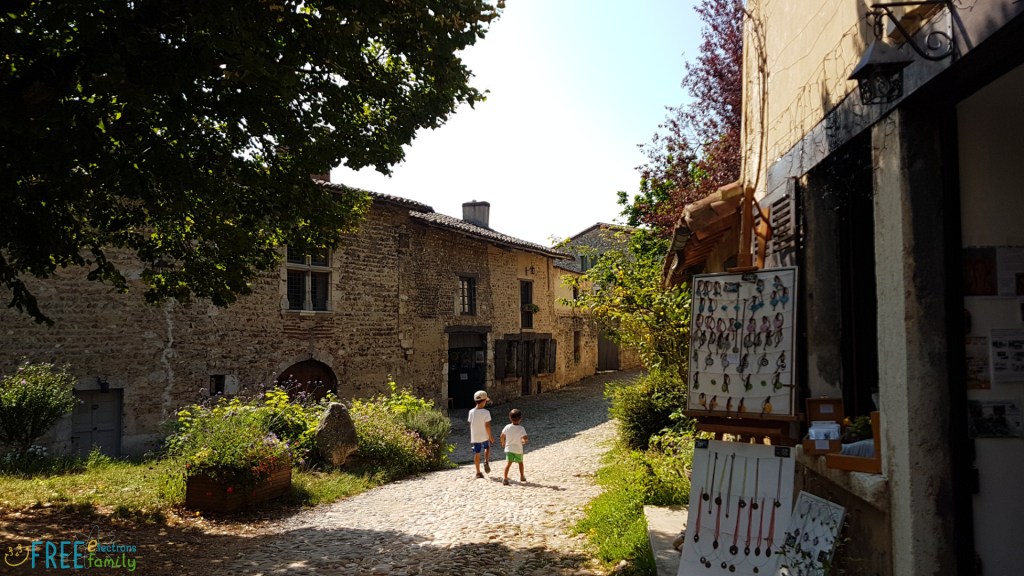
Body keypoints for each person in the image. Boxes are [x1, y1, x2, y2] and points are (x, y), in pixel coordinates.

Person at [468, 390, 494, 478]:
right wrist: (490, 436)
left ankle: (478, 472)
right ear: (483, 401)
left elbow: (471, 423)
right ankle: (486, 461)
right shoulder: (486, 412)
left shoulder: (471, 412)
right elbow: (487, 426)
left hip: (475, 435)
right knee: (487, 447)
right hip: (484, 435)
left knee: (477, 452)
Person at [500, 408, 529, 485]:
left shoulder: (507, 427)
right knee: (520, 463)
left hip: (509, 449)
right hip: (518, 449)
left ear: (510, 418)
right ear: (520, 419)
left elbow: (502, 436)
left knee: (508, 464)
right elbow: (525, 437)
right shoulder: (521, 428)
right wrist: (525, 441)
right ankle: (522, 476)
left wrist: (503, 443)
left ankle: (505, 478)